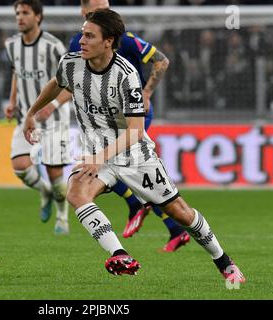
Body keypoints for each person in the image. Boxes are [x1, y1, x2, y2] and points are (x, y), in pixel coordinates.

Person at [23, 8, 245, 283]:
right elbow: (56, 84)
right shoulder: (71, 62)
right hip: (98, 154)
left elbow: (136, 132)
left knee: (180, 213)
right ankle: (118, 253)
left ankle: (224, 262)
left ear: (108, 41)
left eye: (89, 36)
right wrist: (32, 113)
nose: (81, 41)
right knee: (77, 193)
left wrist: (99, 156)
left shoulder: (126, 76)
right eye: (82, 34)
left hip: (135, 157)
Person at [67, 0, 190, 251]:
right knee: (114, 165)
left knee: (119, 162)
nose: (103, 14)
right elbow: (66, 83)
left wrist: (146, 93)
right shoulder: (78, 44)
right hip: (102, 116)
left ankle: (138, 206)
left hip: (132, 115)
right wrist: (48, 105)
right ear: (84, 12)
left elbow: (162, 61)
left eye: (106, 9)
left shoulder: (128, 39)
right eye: (97, 10)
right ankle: (173, 228)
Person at [4, 0, 71, 235]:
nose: (20, 17)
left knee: (56, 176)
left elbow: (71, 82)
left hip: (54, 119)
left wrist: (52, 105)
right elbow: (17, 73)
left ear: (38, 17)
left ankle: (62, 218)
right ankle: (44, 192)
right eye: (17, 13)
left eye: (25, 13)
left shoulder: (54, 46)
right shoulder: (11, 45)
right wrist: (12, 101)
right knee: (20, 166)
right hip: (27, 118)